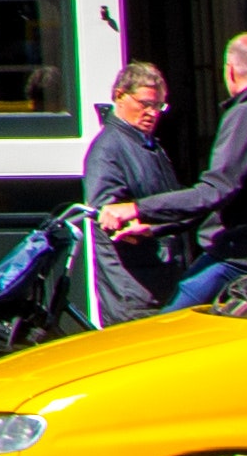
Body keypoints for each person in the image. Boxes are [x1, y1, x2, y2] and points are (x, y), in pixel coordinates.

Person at [110, 30, 247, 310]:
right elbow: (237, 196)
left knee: (167, 335)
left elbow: (215, 192)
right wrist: (160, 225)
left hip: (240, 258)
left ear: (230, 71)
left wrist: (136, 208)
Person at [75, 61, 185, 322]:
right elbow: (110, 216)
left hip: (159, 283)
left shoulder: (149, 146)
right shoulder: (109, 149)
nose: (152, 113)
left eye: (158, 106)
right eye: (144, 104)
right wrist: (149, 227)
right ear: (119, 97)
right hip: (134, 293)